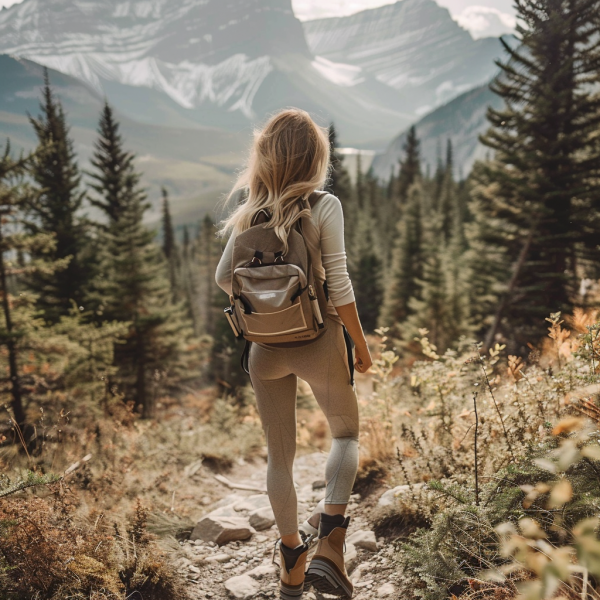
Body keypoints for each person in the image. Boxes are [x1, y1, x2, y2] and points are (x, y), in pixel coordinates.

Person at [215, 108, 372, 599]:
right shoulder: (323, 206)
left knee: (278, 458)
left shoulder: (248, 212)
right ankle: (331, 541)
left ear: (265, 158)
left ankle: (291, 563)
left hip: (265, 351)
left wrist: (265, 307)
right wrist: (360, 346)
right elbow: (340, 284)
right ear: (314, 159)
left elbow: (224, 279)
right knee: (345, 434)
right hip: (318, 342)